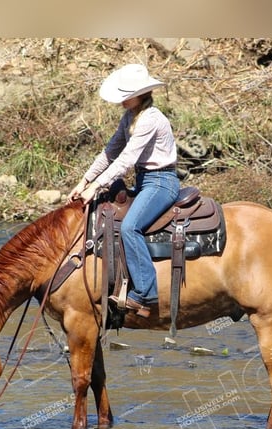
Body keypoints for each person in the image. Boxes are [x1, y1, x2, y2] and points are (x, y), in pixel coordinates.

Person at [67, 63, 180, 318]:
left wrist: (97, 185)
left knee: (130, 227)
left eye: (127, 95)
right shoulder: (129, 117)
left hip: (161, 182)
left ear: (141, 94)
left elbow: (127, 159)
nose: (122, 100)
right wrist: (84, 181)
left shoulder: (151, 118)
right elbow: (110, 152)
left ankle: (145, 293)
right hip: (144, 181)